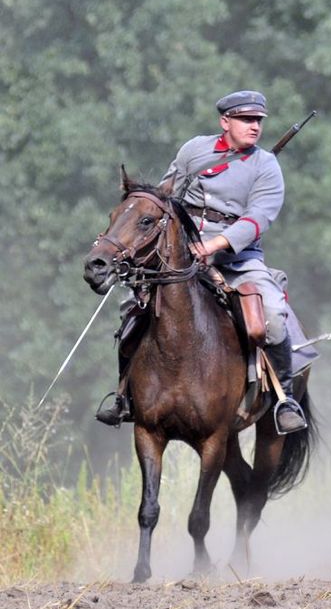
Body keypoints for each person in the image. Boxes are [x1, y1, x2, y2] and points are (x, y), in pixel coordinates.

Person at [96, 90, 308, 434]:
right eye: (245, 120)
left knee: (272, 319)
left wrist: (215, 244)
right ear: (225, 121)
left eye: (258, 121)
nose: (254, 127)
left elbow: (259, 218)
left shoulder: (266, 165)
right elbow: (167, 194)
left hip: (239, 258)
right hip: (181, 253)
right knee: (131, 310)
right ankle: (125, 395)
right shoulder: (195, 150)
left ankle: (285, 399)